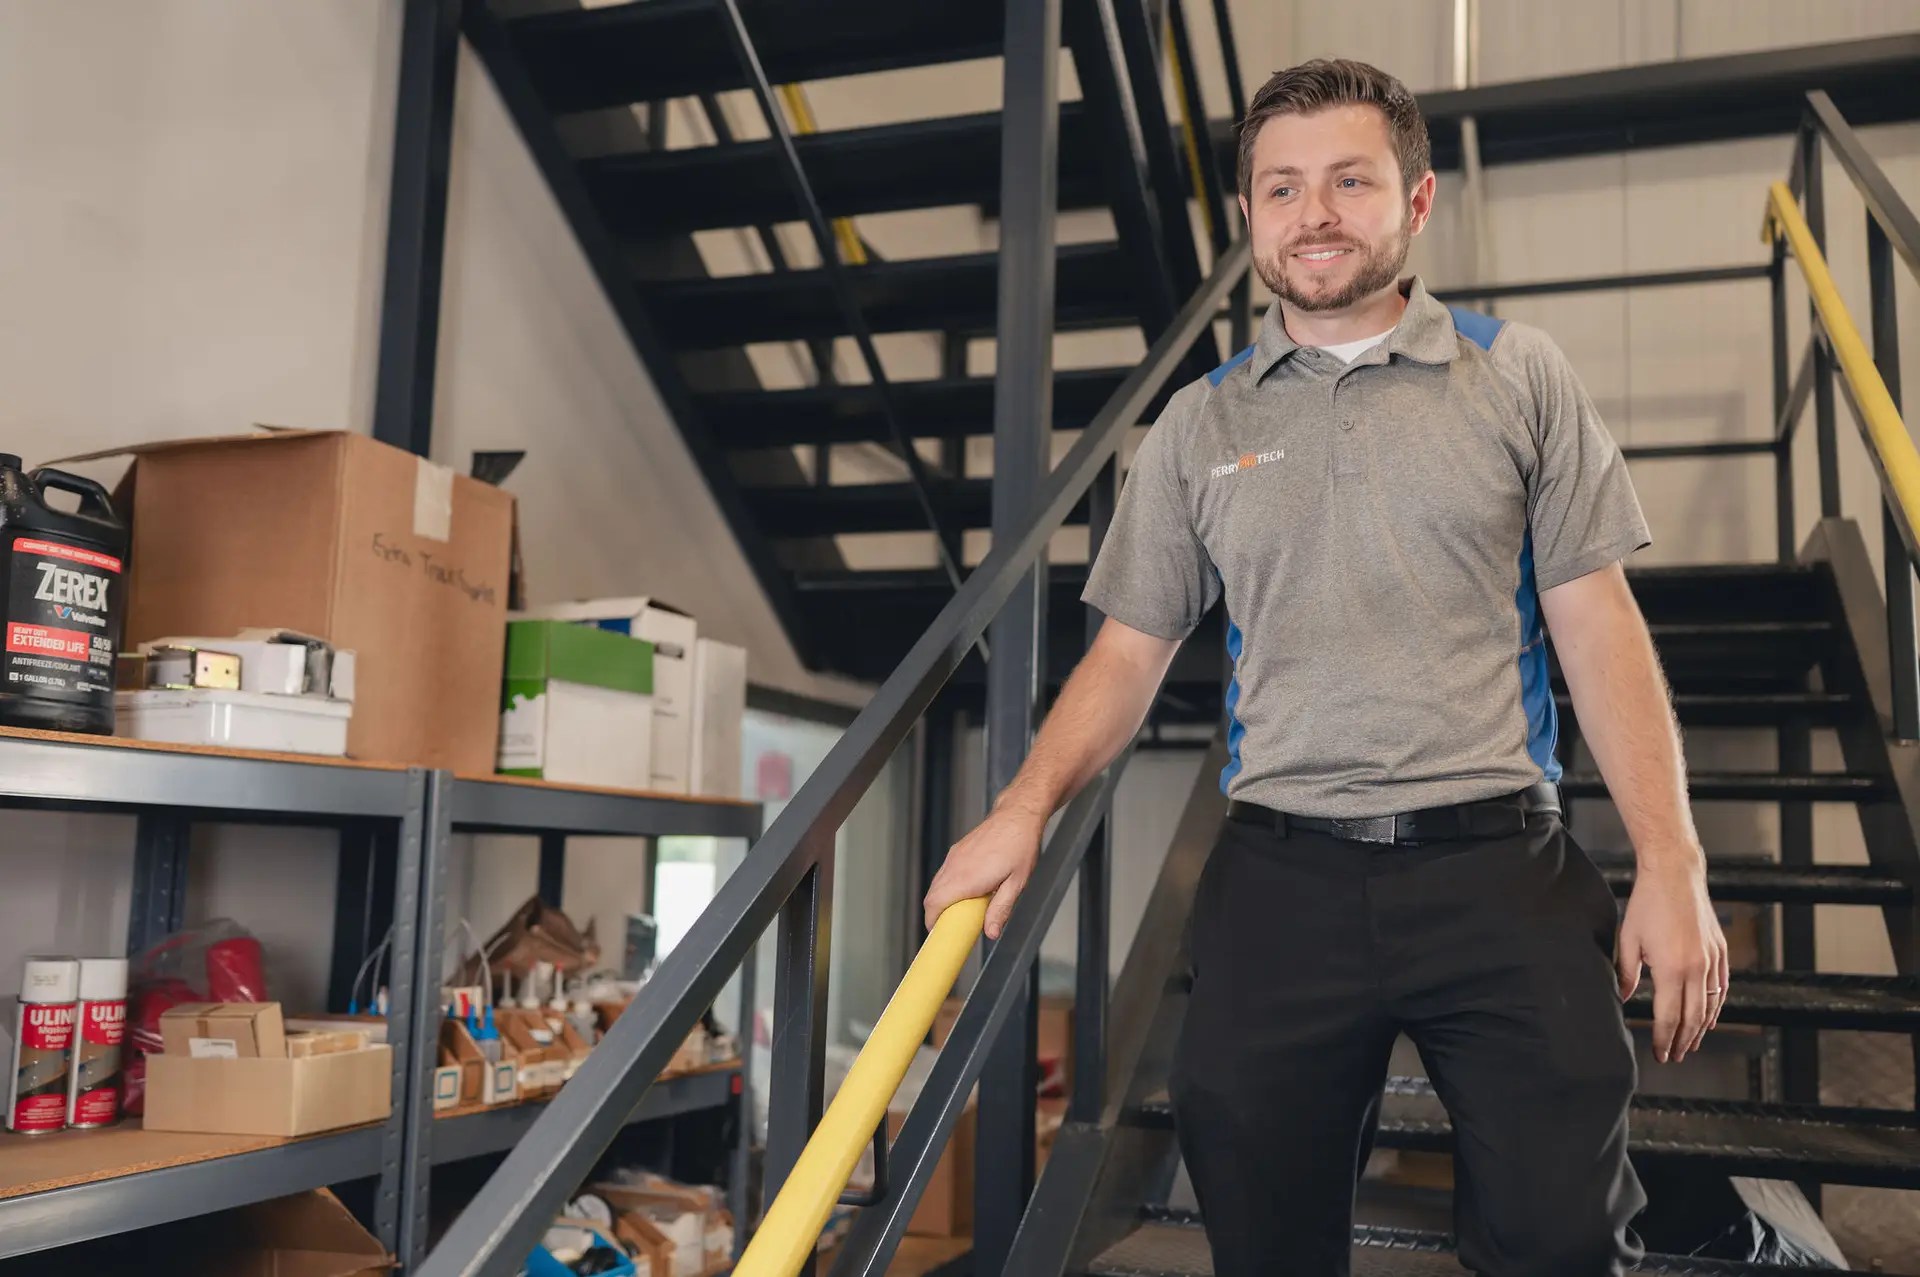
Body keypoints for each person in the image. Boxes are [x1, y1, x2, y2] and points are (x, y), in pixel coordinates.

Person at [922, 57, 1730, 1277]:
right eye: (1282, 187)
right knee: (1260, 1230)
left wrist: (1672, 862)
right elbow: (1129, 651)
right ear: (1249, 213)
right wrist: (1020, 806)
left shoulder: (1516, 377)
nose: (1315, 214)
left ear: (1414, 201)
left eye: (1350, 180)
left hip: (1498, 865)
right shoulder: (1200, 425)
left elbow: (1597, 624)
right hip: (1282, 873)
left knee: (1560, 1237)